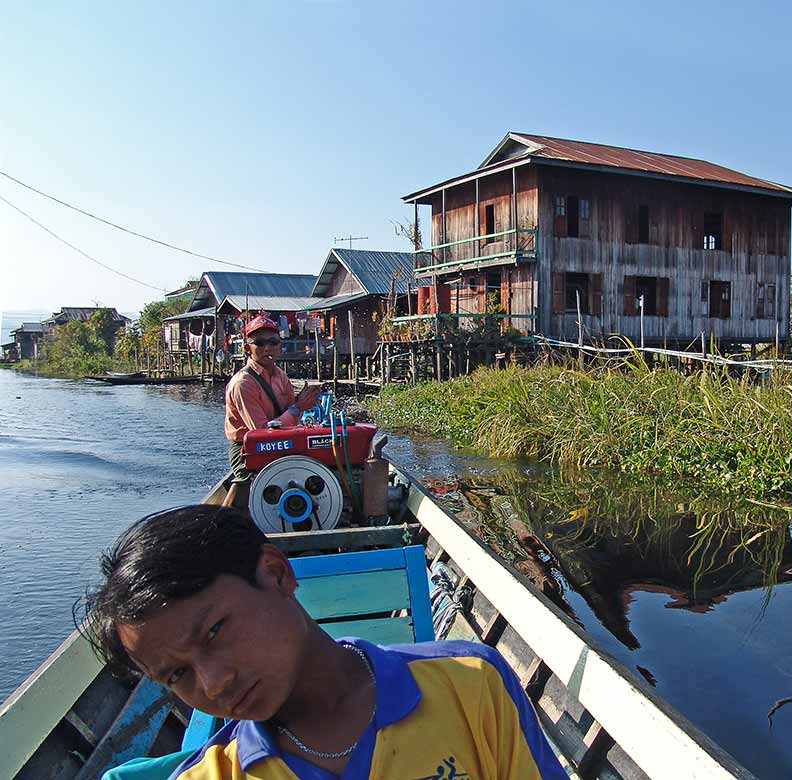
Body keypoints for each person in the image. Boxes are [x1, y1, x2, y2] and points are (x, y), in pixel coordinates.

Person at [82, 505, 567, 780]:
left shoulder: (470, 685)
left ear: (275, 573)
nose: (213, 684)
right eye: (177, 674)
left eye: (214, 631)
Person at [225, 315, 321, 482]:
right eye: (260, 343)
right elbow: (260, 433)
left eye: (273, 342)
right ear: (248, 348)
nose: (267, 348)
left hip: (280, 441)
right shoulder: (243, 384)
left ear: (279, 346)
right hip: (248, 449)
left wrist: (304, 402)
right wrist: (298, 407)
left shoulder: (280, 375)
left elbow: (292, 410)